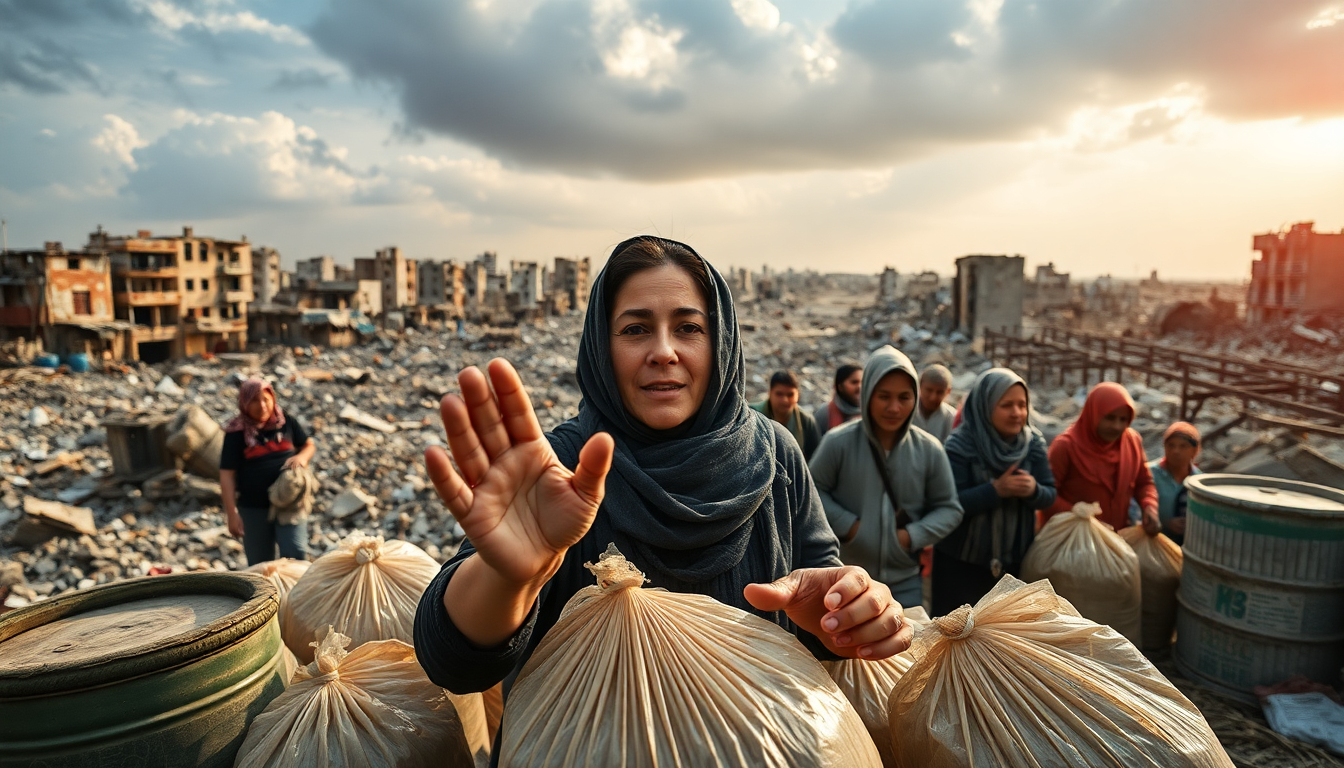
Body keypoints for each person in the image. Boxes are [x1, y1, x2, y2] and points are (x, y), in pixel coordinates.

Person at [414, 236, 912, 705]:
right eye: (635, 329)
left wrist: (848, 612)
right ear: (601, 349)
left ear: (720, 342)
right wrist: (509, 578)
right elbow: (453, 664)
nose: (664, 351)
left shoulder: (774, 455)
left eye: (688, 328)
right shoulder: (561, 469)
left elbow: (823, 596)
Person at [808, 345, 964, 608]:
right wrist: (851, 526)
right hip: (844, 576)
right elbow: (811, 493)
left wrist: (912, 536)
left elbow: (949, 508)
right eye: (884, 396)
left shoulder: (929, 449)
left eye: (904, 397)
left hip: (904, 581)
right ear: (868, 395)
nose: (894, 408)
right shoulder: (838, 442)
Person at [934, 369, 1057, 615]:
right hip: (961, 565)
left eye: (1022, 405)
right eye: (1006, 405)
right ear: (985, 406)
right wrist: (994, 490)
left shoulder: (1032, 444)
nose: (1017, 413)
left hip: (1012, 565)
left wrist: (1033, 490)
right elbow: (949, 504)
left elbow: (1049, 494)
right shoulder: (960, 446)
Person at [221, 378, 316, 565]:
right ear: (244, 403)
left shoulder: (285, 422)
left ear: (273, 398)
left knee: (296, 555)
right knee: (260, 564)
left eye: (266, 399)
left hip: (290, 503)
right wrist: (232, 513)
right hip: (254, 507)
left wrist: (301, 458)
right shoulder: (236, 433)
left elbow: (308, 444)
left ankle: (295, 595)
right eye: (255, 400)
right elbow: (227, 475)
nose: (262, 406)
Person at [1046, 382, 1158, 533]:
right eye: (1110, 418)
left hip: (1116, 538)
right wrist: (1073, 511)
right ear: (1093, 414)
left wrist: (1149, 506)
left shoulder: (1131, 442)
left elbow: (1144, 482)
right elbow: (1046, 495)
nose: (1117, 426)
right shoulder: (1066, 446)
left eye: (1123, 420)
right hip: (1074, 540)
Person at [1146, 421, 1202, 545]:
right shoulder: (1149, 474)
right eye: (1171, 445)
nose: (1176, 451)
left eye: (1183, 446)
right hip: (1153, 543)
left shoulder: (1199, 481)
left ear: (1194, 450)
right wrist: (1164, 522)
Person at [751, 370, 822, 460]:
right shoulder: (754, 415)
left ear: (797, 395)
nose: (785, 400)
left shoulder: (806, 421)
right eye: (779, 394)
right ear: (769, 393)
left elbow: (815, 459)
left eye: (790, 395)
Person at [911, 364, 956, 444]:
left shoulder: (952, 418)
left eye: (940, 392)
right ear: (920, 386)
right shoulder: (907, 411)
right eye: (929, 390)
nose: (933, 397)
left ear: (948, 391)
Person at [814, 363, 862, 438]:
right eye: (854, 382)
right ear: (840, 387)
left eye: (862, 382)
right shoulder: (824, 414)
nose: (859, 387)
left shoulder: (872, 412)